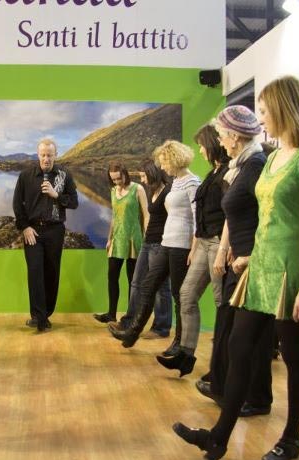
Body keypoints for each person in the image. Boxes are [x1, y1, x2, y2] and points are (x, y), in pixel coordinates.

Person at [173, 76, 299, 460]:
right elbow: (266, 218)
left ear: (283, 107)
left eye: (264, 111)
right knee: (239, 346)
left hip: (291, 268)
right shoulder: (273, 157)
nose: (260, 119)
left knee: (293, 354)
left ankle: (291, 438)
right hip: (261, 265)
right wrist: (249, 256)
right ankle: (218, 437)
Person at [190, 111, 275, 419]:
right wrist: (225, 248)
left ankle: (256, 397)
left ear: (235, 136)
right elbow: (234, 214)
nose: (220, 141)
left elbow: (268, 216)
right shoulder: (240, 166)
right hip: (237, 257)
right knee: (234, 330)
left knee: (253, 337)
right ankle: (228, 387)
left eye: (222, 135)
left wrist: (249, 255)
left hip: (251, 260)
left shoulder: (255, 166)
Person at [111, 140, 200, 356]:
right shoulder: (175, 183)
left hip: (181, 247)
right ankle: (132, 332)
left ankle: (179, 342)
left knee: (179, 296)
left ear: (174, 159)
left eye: (164, 162)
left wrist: (193, 248)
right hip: (166, 243)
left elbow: (198, 218)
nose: (162, 167)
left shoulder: (192, 182)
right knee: (148, 286)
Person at [155, 124, 229, 376]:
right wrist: (196, 244)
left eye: (202, 145)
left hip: (218, 243)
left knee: (221, 302)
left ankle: (222, 367)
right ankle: (185, 355)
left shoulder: (228, 172)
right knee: (186, 295)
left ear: (212, 144)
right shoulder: (214, 172)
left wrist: (224, 248)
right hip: (205, 242)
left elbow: (229, 213)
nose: (200, 150)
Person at [13, 138, 78, 332]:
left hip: (55, 231)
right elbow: (17, 204)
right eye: (43, 155)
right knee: (35, 273)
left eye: (50, 155)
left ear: (55, 155)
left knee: (51, 273)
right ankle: (39, 318)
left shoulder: (65, 175)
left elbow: (74, 202)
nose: (46, 159)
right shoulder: (25, 176)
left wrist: (56, 195)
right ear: (38, 154)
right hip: (32, 231)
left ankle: (45, 314)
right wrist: (25, 227)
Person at [108, 160, 173, 338]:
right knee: (136, 283)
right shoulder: (153, 191)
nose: (142, 180)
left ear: (152, 173)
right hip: (148, 242)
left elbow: (170, 218)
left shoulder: (167, 192)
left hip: (160, 243)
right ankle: (128, 322)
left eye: (144, 176)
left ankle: (161, 328)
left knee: (161, 287)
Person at [93, 161, 148, 324]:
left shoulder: (138, 189)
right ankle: (111, 314)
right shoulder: (113, 191)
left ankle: (131, 318)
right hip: (117, 238)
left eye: (119, 178)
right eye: (114, 179)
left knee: (133, 280)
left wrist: (147, 238)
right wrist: (109, 238)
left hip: (133, 238)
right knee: (112, 276)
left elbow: (146, 215)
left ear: (125, 174)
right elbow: (115, 216)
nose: (117, 182)